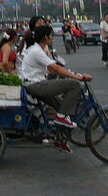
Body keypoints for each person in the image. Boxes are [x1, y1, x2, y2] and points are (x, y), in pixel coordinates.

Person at [22, 25, 92, 154]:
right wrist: (78, 78)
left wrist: (70, 73)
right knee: (74, 85)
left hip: (35, 84)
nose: (52, 38)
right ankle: (61, 117)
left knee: (62, 105)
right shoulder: (37, 51)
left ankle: (60, 140)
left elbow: (51, 68)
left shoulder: (36, 49)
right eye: (51, 35)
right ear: (45, 37)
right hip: (36, 86)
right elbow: (55, 68)